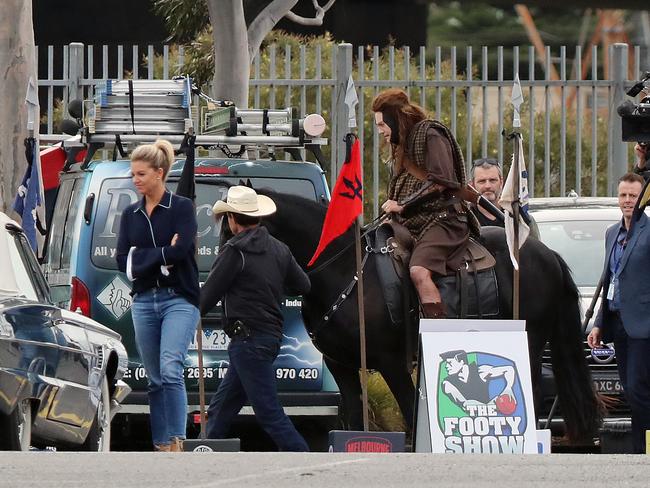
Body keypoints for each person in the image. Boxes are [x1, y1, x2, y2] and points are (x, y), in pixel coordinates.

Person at [200, 185, 310, 452]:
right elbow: (303, 285)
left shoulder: (234, 251)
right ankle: (203, 454)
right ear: (257, 216)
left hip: (247, 341)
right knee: (221, 408)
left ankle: (306, 459)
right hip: (268, 339)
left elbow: (206, 298)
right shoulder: (280, 249)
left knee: (269, 413)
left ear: (233, 219)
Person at [116, 139, 200, 452]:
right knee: (154, 378)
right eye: (133, 174)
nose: (135, 179)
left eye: (140, 174)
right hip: (143, 301)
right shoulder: (130, 214)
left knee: (170, 368)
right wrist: (162, 255)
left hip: (179, 298)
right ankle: (161, 444)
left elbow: (181, 252)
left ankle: (177, 439)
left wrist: (144, 257)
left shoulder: (181, 208)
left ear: (159, 174)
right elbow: (121, 261)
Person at [372, 88, 473, 319]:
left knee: (418, 271)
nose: (380, 131)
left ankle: (438, 335)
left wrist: (402, 204)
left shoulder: (430, 133)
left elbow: (443, 179)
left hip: (445, 220)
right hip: (414, 222)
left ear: (394, 119)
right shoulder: (403, 144)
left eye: (382, 124)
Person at [588, 172, 650, 454]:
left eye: (633, 196)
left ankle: (644, 445)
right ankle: (641, 449)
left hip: (644, 325)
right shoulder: (612, 233)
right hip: (618, 321)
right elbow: (609, 280)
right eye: (623, 195)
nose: (628, 201)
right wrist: (600, 323)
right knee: (629, 388)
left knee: (638, 388)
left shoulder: (648, 232)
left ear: (643, 198)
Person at [469, 158, 505, 228]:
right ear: (472, 185)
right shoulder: (465, 218)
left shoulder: (515, 216)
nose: (487, 186)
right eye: (482, 181)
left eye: (492, 180)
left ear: (501, 182)